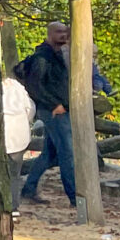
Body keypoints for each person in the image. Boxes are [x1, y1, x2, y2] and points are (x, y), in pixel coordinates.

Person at [17, 22, 76, 208]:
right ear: (50, 34)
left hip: (59, 109)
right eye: (59, 32)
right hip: (54, 111)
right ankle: (76, 197)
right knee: (67, 152)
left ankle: (29, 188)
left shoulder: (58, 55)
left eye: (65, 32)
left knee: (49, 154)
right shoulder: (43, 57)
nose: (63, 35)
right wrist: (55, 104)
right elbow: (35, 85)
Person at [2, 73, 36, 221]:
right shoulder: (18, 88)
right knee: (14, 173)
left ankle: (4, 204)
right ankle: (13, 206)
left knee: (2, 172)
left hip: (3, 132)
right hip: (19, 133)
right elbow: (30, 109)